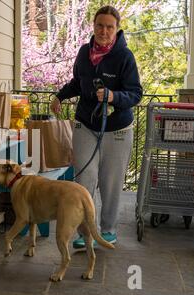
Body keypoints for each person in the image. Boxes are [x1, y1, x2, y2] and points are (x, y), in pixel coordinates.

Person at [50, 5, 143, 249]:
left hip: (118, 129)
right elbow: (77, 82)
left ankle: (109, 230)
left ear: (117, 29)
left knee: (111, 181)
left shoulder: (125, 57)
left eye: (109, 27)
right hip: (86, 124)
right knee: (84, 179)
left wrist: (114, 97)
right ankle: (84, 232)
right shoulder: (84, 52)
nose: (104, 31)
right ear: (93, 26)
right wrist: (59, 96)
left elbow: (135, 93)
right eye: (100, 25)